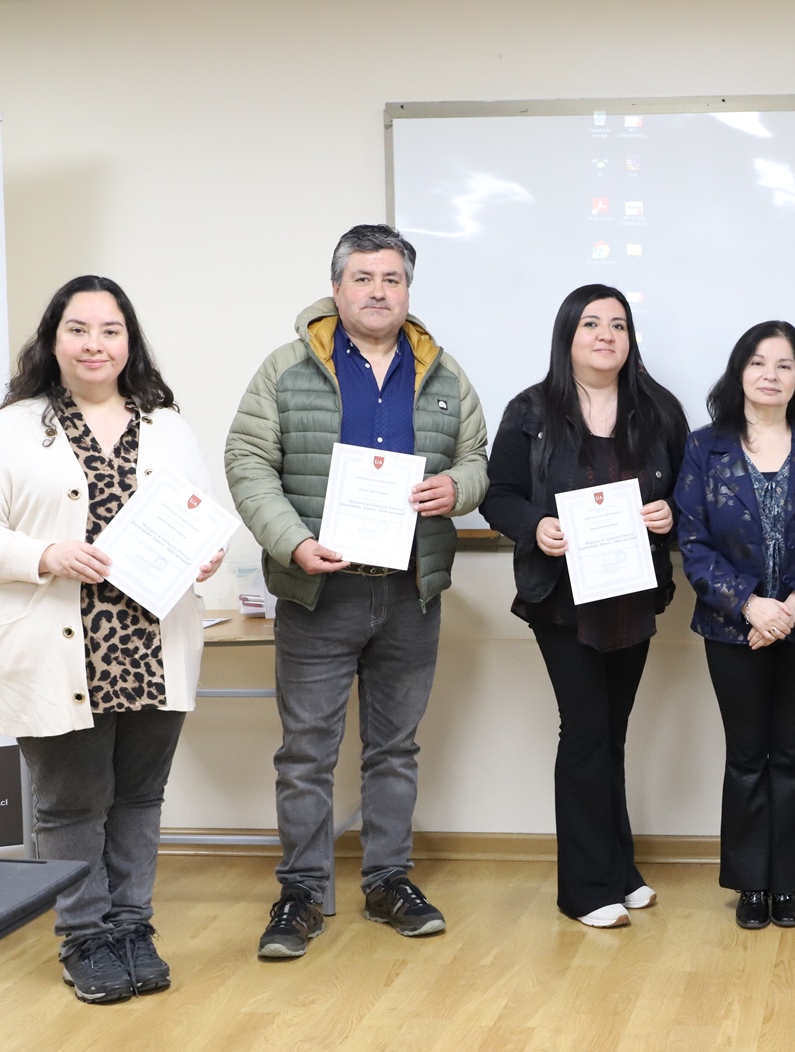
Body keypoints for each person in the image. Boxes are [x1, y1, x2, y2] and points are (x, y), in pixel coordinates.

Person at [0, 275, 224, 1003]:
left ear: (129, 342)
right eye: (79, 329)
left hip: (150, 642)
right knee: (71, 804)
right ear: (53, 339)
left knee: (139, 797)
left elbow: (200, 516)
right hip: (57, 644)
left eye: (110, 330)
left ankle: (132, 926)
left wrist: (206, 554)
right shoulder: (11, 427)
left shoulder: (166, 424)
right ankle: (85, 938)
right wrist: (44, 556)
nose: (94, 344)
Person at [225, 224, 489, 959]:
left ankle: (387, 883)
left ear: (409, 289)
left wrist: (456, 488)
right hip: (319, 593)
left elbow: (478, 459)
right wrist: (294, 543)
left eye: (393, 279)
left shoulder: (442, 372)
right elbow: (247, 461)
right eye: (365, 279)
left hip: (411, 591)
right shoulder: (286, 368)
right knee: (306, 752)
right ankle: (302, 893)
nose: (379, 292)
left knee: (394, 749)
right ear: (337, 288)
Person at [481, 284, 688, 928]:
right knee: (587, 732)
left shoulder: (658, 410)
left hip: (632, 593)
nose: (606, 336)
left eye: (619, 325)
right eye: (592, 324)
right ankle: (584, 888)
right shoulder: (532, 410)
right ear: (567, 335)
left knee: (612, 735)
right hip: (562, 599)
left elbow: (694, 500)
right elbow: (499, 494)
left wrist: (670, 515)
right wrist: (534, 527)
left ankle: (618, 871)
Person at [674, 321, 795, 930]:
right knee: (747, 753)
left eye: (784, 364)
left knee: (794, 751)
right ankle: (752, 884)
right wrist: (751, 606)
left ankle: (788, 883)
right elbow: (691, 540)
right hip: (733, 627)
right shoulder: (705, 447)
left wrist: (794, 608)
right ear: (738, 372)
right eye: (757, 363)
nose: (770, 375)